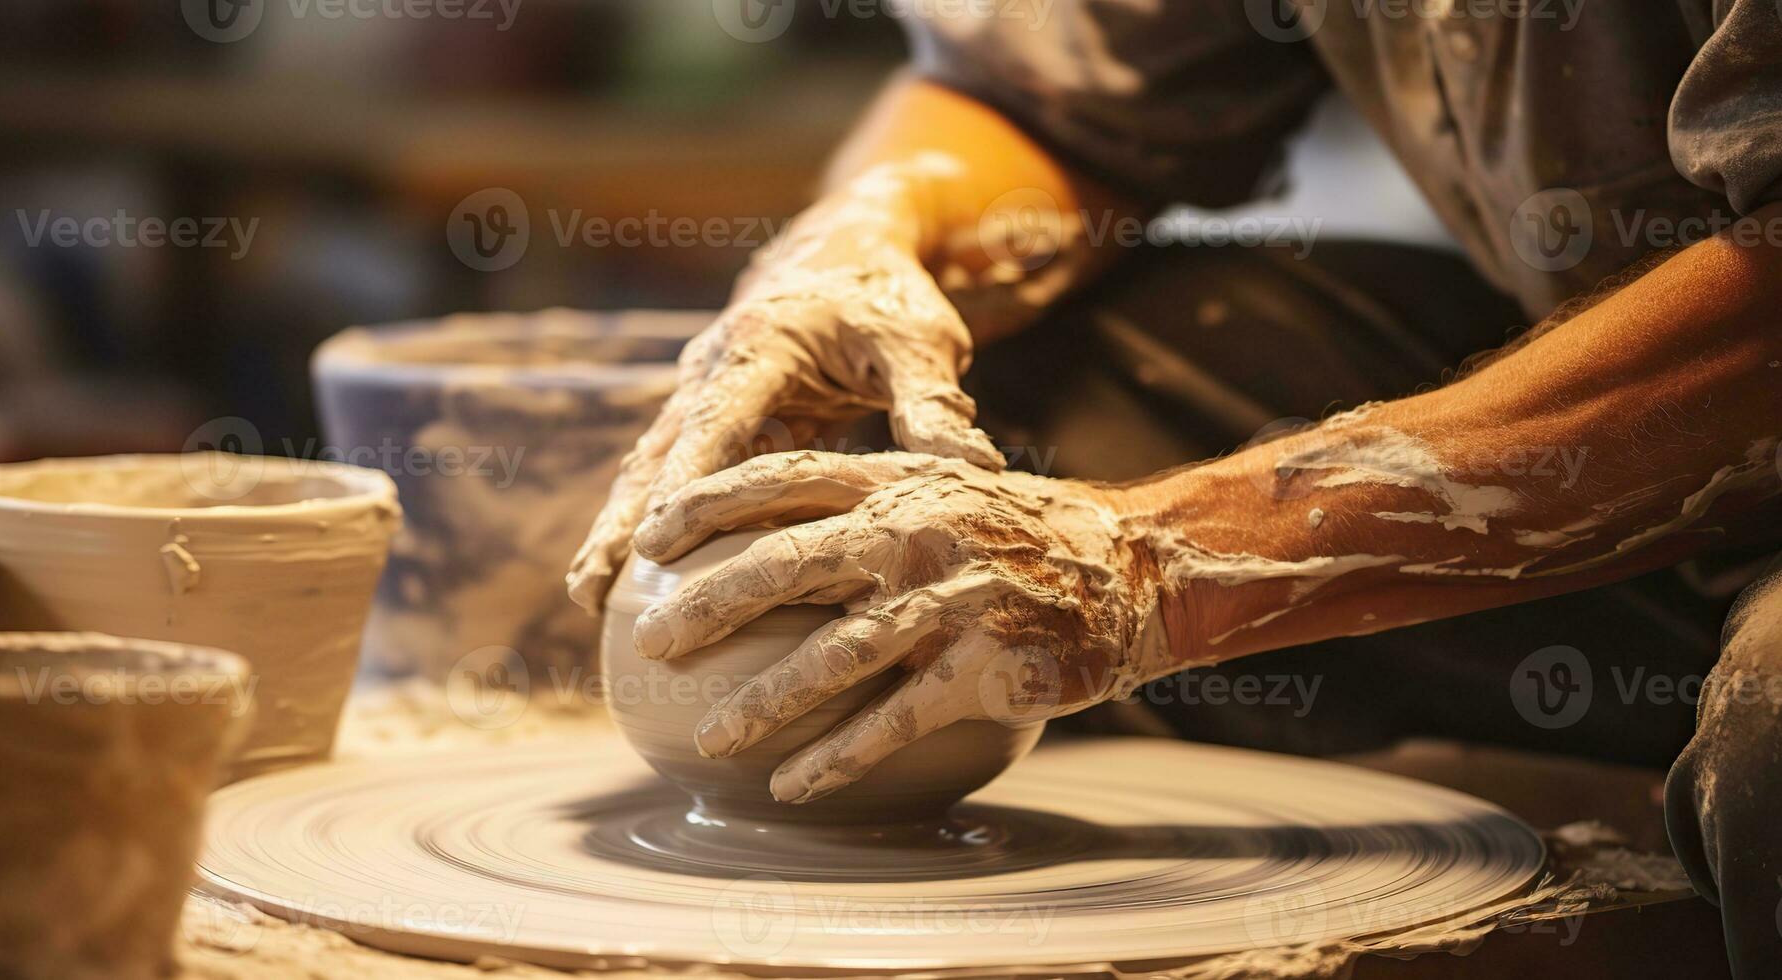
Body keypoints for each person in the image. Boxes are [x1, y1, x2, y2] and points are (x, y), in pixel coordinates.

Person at [568, 2, 1782, 972]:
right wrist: (860, 238)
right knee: (986, 412)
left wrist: (1152, 559)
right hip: (1613, 395)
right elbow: (1044, 104)